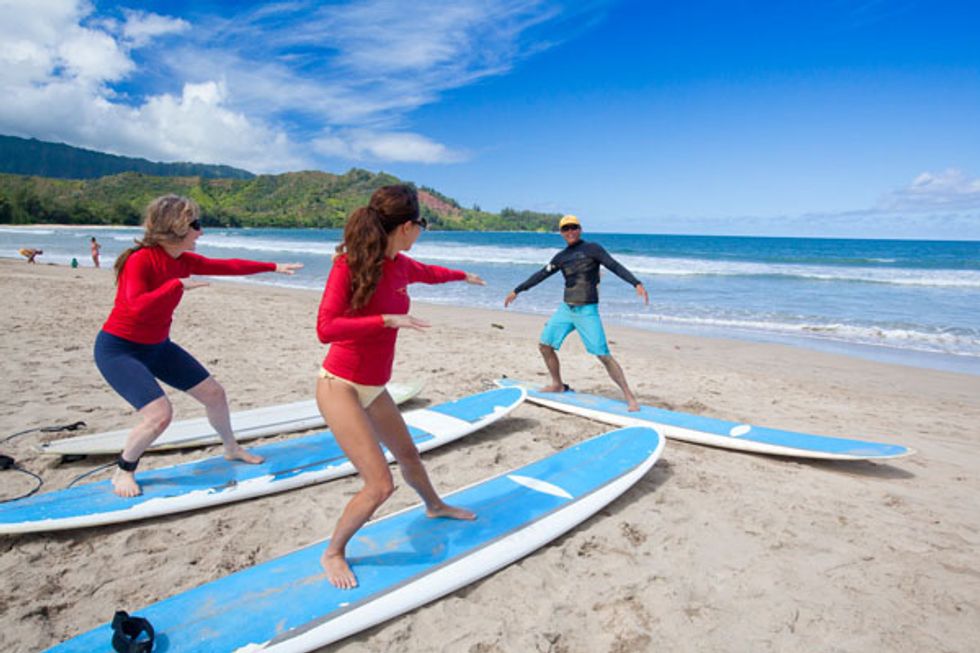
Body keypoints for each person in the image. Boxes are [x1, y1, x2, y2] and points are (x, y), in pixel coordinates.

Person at [316, 184, 484, 589]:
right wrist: (386, 320)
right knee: (380, 485)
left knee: (409, 454)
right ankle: (333, 552)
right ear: (407, 226)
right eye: (421, 223)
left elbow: (430, 273)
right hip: (340, 384)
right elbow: (325, 329)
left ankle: (434, 505)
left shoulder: (401, 265)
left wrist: (462, 275)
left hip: (374, 387)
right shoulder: (348, 266)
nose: (421, 231)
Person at [94, 194, 303, 497]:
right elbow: (135, 306)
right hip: (119, 349)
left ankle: (231, 448)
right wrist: (175, 285)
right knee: (159, 415)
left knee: (214, 394)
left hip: (158, 347)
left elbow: (228, 266)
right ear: (176, 228)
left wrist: (273, 266)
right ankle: (123, 471)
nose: (200, 231)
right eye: (195, 225)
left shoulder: (183, 260)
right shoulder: (140, 260)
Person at [504, 214, 649, 411]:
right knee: (545, 345)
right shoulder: (561, 257)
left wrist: (636, 283)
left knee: (603, 355)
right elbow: (541, 274)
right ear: (561, 233)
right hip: (566, 309)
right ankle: (557, 384)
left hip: (587, 310)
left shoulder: (593, 249)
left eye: (573, 227)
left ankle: (629, 397)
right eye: (566, 229)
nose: (570, 231)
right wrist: (517, 290)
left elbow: (613, 265)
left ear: (580, 230)